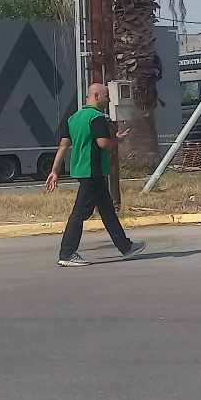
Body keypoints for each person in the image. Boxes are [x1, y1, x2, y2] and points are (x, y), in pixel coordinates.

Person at [47, 82, 145, 267]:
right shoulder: (96, 117)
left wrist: (54, 171)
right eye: (106, 96)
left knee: (107, 211)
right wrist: (117, 140)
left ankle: (126, 247)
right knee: (79, 213)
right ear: (96, 96)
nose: (109, 100)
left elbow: (63, 146)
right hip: (93, 171)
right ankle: (67, 253)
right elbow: (103, 143)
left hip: (82, 170)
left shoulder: (73, 118)